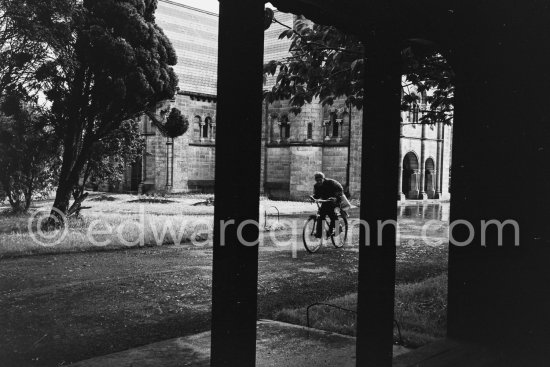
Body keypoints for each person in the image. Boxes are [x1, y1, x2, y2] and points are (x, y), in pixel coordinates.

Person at [312, 172, 344, 238]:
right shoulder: (316, 186)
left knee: (332, 214)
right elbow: (317, 195)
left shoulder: (331, 183)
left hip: (335, 200)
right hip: (326, 201)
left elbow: (340, 189)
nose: (319, 181)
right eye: (317, 180)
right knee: (321, 216)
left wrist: (336, 197)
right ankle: (319, 233)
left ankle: (338, 228)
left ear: (323, 178)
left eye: (320, 180)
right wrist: (313, 198)